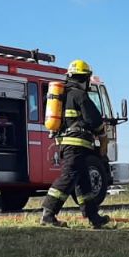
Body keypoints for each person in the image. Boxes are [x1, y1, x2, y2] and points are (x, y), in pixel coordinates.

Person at [41, 60, 110, 228]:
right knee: (69, 177)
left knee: (83, 181)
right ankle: (48, 214)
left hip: (68, 143)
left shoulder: (63, 95)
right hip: (76, 144)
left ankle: (93, 217)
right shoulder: (80, 95)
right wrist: (103, 137)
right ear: (85, 78)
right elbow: (94, 120)